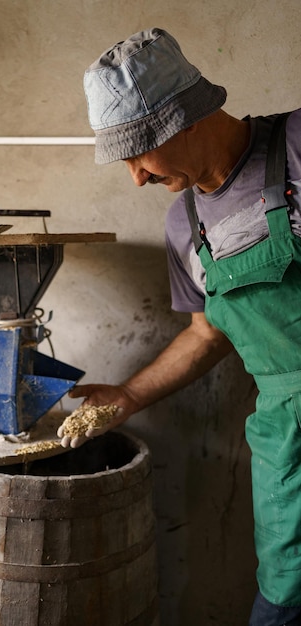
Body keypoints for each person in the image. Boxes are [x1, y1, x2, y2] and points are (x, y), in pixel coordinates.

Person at [57, 27, 301, 625]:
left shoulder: (297, 142)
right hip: (286, 445)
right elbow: (205, 334)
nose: (135, 177)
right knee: (284, 601)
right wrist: (127, 395)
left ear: (184, 119)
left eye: (139, 153)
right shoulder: (182, 226)